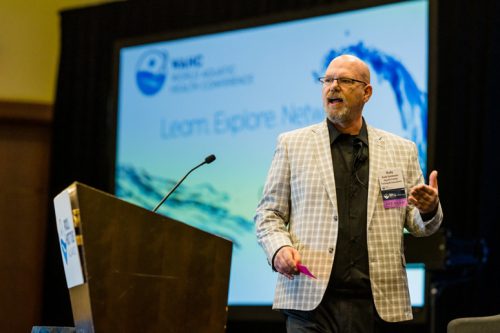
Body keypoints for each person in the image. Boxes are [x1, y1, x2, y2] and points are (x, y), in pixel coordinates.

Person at [254, 54, 443, 333]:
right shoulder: (292, 145)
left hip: (377, 303)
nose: (333, 87)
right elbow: (268, 214)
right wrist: (279, 249)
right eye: (327, 80)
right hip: (311, 303)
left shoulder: (400, 150)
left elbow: (415, 223)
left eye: (344, 80)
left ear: (366, 92)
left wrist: (428, 209)